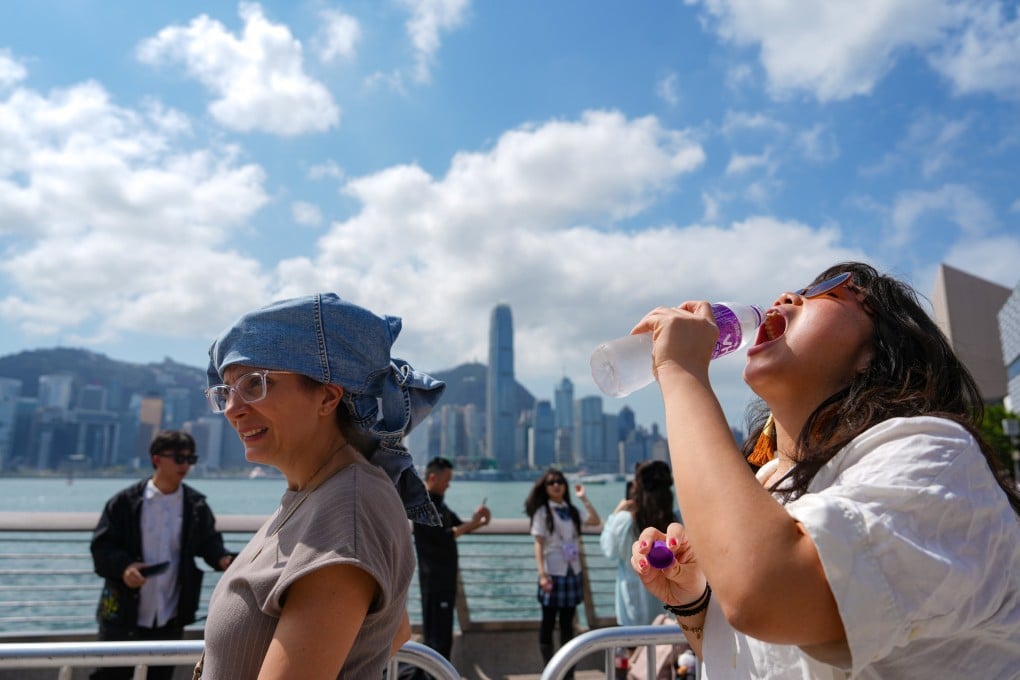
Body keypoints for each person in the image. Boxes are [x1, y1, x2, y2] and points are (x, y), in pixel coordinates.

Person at [628, 262, 1020, 678]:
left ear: (877, 353)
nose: (786, 297)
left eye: (829, 292)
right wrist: (693, 600)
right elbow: (752, 662)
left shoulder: (937, 457)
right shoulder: (765, 485)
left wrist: (682, 373)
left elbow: (767, 595)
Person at [197, 292, 445, 679]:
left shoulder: (347, 509)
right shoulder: (314, 494)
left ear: (328, 396)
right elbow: (393, 631)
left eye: (255, 384)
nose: (232, 407)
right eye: (226, 391)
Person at [89, 430, 234, 680]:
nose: (186, 465)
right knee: (111, 676)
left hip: (170, 615)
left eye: (191, 459)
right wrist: (125, 569)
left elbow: (209, 543)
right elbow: (102, 548)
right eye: (179, 458)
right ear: (157, 459)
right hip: (122, 615)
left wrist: (224, 560)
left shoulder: (195, 505)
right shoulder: (123, 503)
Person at [410, 456, 491, 672]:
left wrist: (480, 521)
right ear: (433, 477)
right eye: (446, 479)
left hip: (444, 579)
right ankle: (432, 675)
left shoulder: (439, 504)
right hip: (434, 580)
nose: (449, 484)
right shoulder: (423, 505)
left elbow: (458, 527)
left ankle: (439, 674)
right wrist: (473, 524)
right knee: (436, 637)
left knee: (443, 635)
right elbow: (446, 535)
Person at [525, 468, 601, 673]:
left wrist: (583, 498)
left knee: (568, 624)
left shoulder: (572, 510)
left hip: (571, 571)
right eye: (551, 482)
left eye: (560, 481)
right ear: (545, 487)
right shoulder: (542, 512)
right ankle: (549, 669)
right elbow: (538, 544)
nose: (556, 485)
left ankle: (567, 670)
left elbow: (595, 520)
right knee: (548, 622)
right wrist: (542, 574)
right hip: (552, 572)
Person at [599, 460, 675, 627]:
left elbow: (609, 550)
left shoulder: (625, 521)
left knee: (633, 647)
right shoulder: (676, 521)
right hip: (669, 605)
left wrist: (615, 513)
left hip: (633, 603)